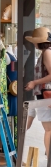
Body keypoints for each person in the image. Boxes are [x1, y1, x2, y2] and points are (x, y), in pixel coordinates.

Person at [24, 27, 51, 157]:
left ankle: (49, 164)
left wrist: (34, 83)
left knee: (48, 129)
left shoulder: (47, 53)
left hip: (45, 95)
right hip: (45, 95)